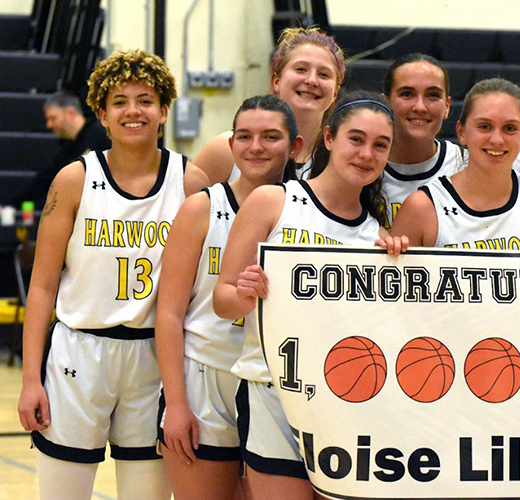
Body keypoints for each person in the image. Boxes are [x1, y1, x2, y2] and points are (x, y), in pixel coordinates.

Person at [16, 49, 208, 500]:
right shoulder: (74, 179)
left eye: (145, 99)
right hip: (79, 353)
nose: (133, 110)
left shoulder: (191, 182)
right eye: (119, 101)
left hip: (154, 358)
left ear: (164, 110)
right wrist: (30, 380)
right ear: (101, 113)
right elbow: (42, 286)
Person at [212, 91, 403, 500]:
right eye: (356, 139)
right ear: (330, 138)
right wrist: (246, 294)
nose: (367, 153)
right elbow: (223, 299)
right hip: (271, 393)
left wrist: (400, 262)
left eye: (380, 145)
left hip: (345, 399)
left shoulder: (377, 238)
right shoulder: (274, 202)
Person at [155, 95, 302, 499]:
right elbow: (168, 314)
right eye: (244, 136)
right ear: (232, 143)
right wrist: (176, 404)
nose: (255, 147)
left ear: (295, 147)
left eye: (270, 137)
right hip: (206, 381)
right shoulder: (203, 207)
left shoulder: (307, 211)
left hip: (274, 385)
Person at [390, 77, 520, 251]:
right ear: (461, 132)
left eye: (509, 128)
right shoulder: (422, 208)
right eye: (484, 126)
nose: (496, 140)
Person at [193, 26, 344, 183]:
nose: (312, 80)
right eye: (301, 69)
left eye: (323, 74)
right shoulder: (224, 151)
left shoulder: (341, 159)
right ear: (276, 82)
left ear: (335, 92)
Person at [380, 53, 465, 227]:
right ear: (385, 103)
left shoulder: (466, 165)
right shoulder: (361, 165)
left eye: (432, 95)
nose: (420, 107)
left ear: (447, 106)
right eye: (407, 94)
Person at [15, 90, 112, 208]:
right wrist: (11, 204)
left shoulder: (101, 133)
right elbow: (45, 180)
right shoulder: (68, 149)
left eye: (53, 118)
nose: (49, 125)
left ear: (71, 113)